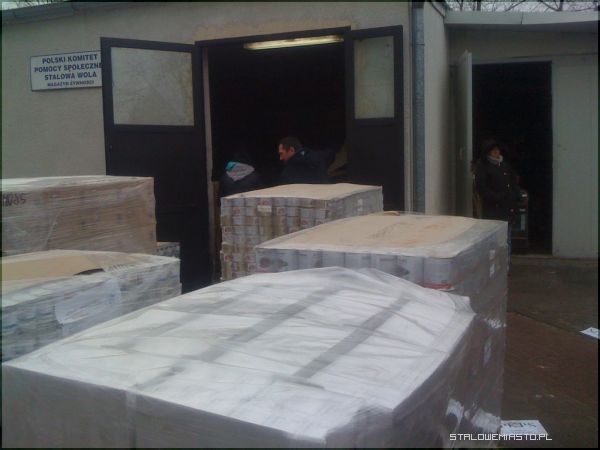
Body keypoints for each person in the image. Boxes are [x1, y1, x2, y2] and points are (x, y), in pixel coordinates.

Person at [474, 139, 521, 264]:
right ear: (488, 152)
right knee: (494, 239)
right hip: (493, 209)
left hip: (507, 207)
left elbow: (512, 182)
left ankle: (505, 264)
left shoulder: (504, 165)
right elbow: (481, 187)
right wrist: (495, 197)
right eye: (493, 150)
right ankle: (494, 265)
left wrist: (516, 195)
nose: (497, 152)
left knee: (506, 238)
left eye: (497, 149)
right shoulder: (483, 167)